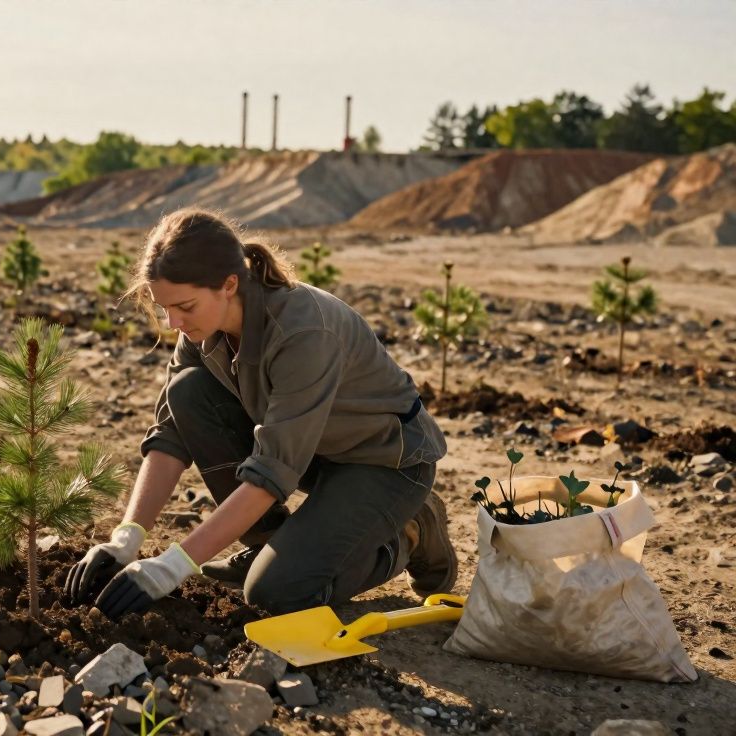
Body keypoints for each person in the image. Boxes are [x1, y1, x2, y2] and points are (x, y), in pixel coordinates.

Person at [64, 208, 457, 619]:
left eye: (184, 306)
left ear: (229, 284)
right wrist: (126, 540)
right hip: (312, 453)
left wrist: (172, 566)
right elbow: (169, 435)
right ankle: (268, 543)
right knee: (188, 392)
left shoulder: (303, 331)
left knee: (277, 594)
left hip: (382, 465)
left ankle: (412, 533)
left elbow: (272, 473)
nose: (173, 322)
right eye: (165, 309)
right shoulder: (201, 327)